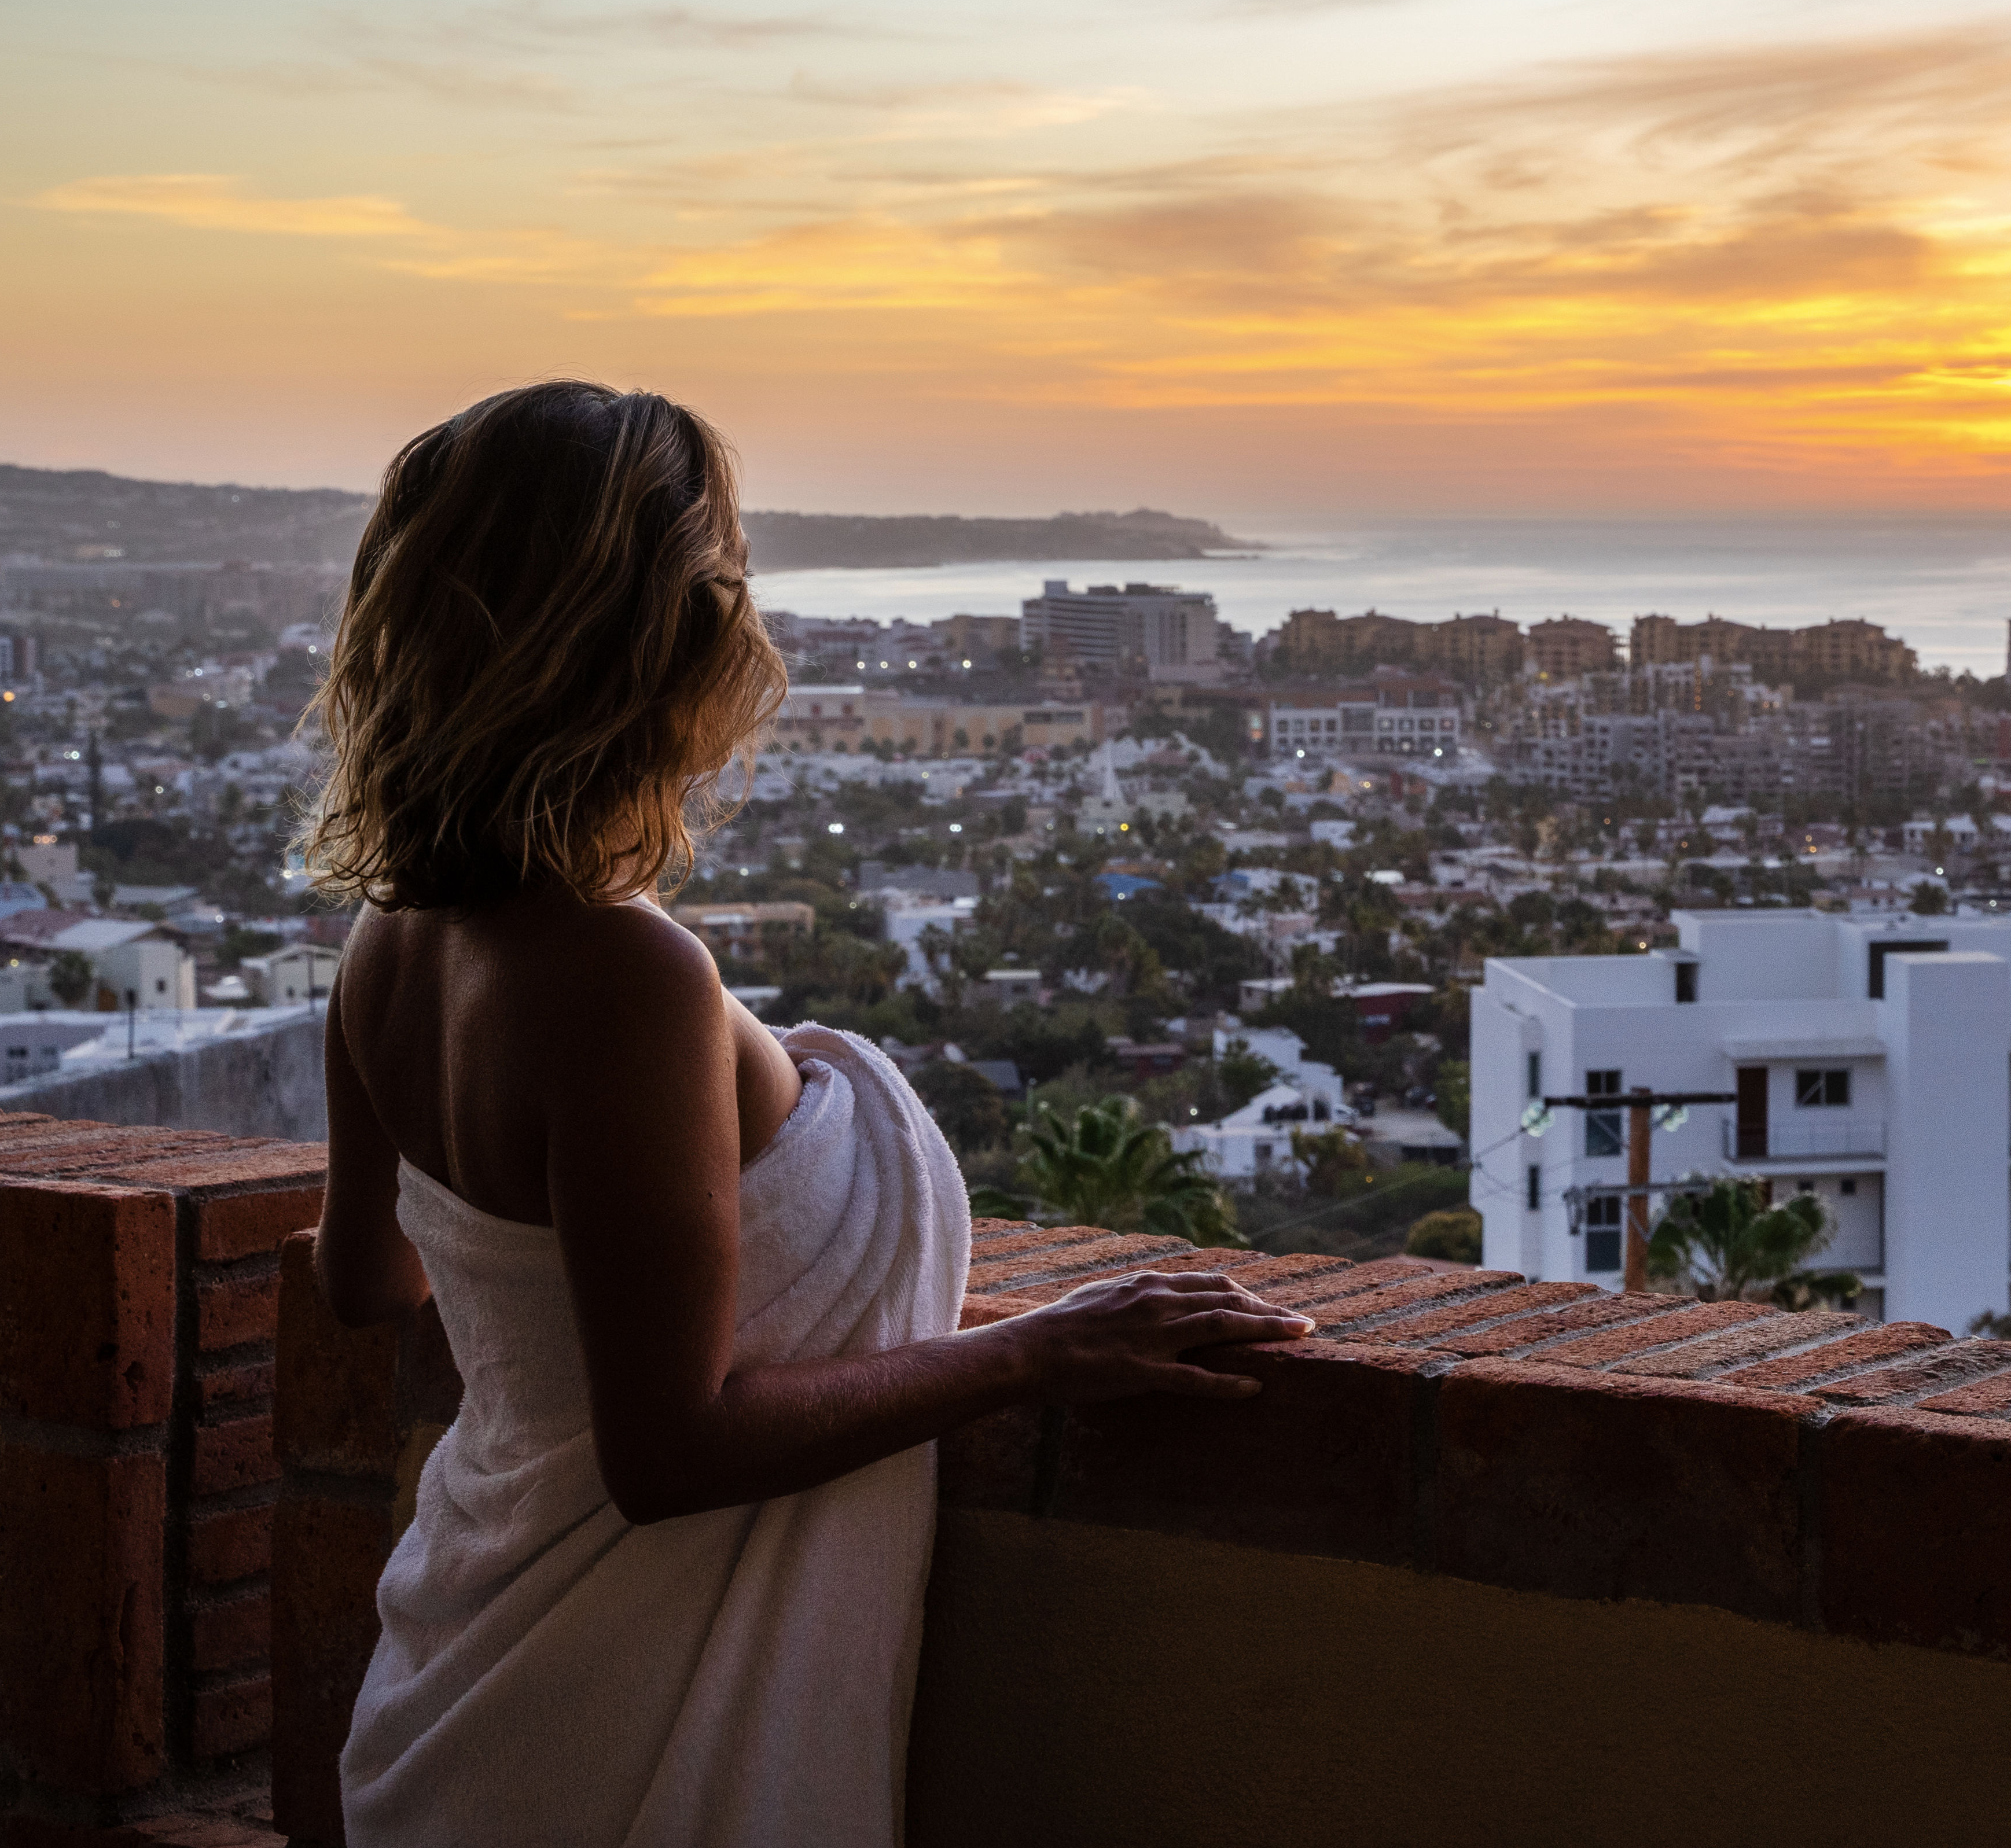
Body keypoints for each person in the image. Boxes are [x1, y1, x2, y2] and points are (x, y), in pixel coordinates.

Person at [304, 382, 1310, 1846]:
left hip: (467, 1646)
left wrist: (526, 1313)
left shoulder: (387, 941)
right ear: (668, 632)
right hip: (612, 1706)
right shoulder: (626, 973)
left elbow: (363, 1273)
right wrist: (1044, 1346)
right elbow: (670, 1451)